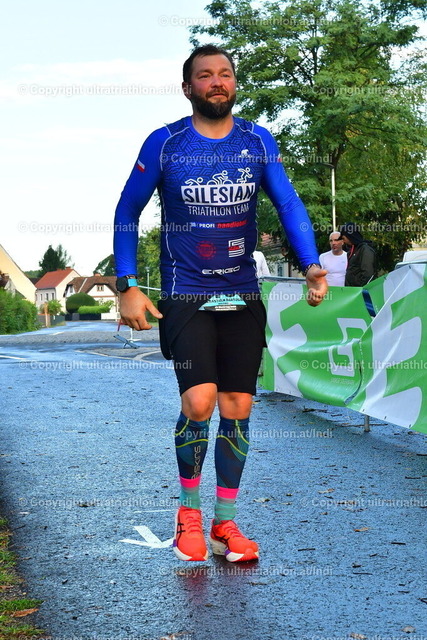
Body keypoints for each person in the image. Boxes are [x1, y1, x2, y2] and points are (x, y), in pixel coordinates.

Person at [113, 44, 328, 563]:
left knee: (238, 405)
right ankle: (188, 514)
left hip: (242, 289)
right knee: (199, 402)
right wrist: (127, 284)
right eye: (205, 75)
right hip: (186, 290)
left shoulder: (257, 140)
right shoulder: (165, 143)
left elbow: (288, 201)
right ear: (188, 88)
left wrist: (310, 263)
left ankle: (224, 523)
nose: (216, 82)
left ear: (234, 84)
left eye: (225, 74)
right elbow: (127, 209)